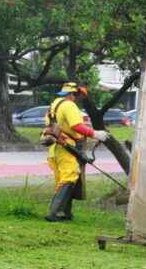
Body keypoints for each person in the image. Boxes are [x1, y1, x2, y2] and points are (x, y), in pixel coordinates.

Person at [40, 82, 110, 222]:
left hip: (55, 150)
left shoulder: (53, 106)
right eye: (78, 95)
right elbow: (76, 126)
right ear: (73, 94)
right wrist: (95, 134)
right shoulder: (69, 105)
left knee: (62, 180)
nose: (78, 99)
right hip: (67, 148)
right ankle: (54, 213)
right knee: (69, 177)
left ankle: (65, 214)